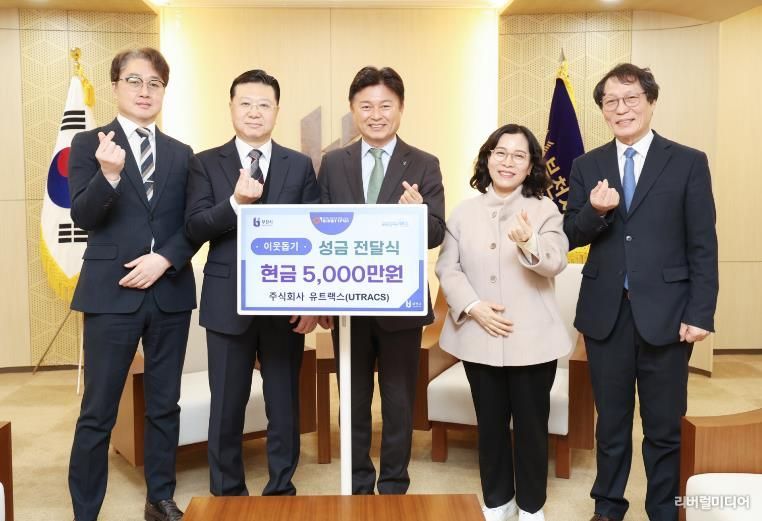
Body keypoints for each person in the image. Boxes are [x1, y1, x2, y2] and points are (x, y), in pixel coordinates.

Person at [563, 63, 718, 521]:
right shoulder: (587, 164)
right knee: (610, 425)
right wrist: (595, 212)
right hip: (606, 315)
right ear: (602, 111)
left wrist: (701, 312)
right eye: (610, 101)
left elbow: (703, 244)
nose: (621, 108)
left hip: (669, 315)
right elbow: (570, 234)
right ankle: (608, 507)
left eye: (631, 98)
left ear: (650, 102)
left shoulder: (688, 161)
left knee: (664, 428)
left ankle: (663, 511)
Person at [68, 47, 199, 521]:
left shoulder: (182, 153)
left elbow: (193, 224)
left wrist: (164, 260)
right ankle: (86, 511)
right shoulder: (88, 144)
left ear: (164, 91)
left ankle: (160, 499)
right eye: (134, 81)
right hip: (110, 293)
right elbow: (83, 216)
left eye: (155, 83)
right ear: (115, 86)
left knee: (164, 405)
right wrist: (108, 175)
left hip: (169, 293)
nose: (145, 91)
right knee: (98, 410)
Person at [185, 69, 320, 497]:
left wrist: (311, 302)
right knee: (227, 405)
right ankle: (227, 494)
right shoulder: (205, 162)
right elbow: (194, 226)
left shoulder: (299, 165)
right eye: (245, 103)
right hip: (227, 303)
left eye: (264, 104)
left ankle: (280, 490)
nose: (255, 112)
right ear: (231, 108)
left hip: (286, 305)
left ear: (277, 111)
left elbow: (315, 234)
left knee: (284, 405)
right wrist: (235, 203)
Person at [317, 66, 445, 495]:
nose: (376, 115)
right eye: (366, 106)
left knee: (398, 402)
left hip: (400, 304)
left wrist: (417, 214)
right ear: (353, 109)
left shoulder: (424, 163)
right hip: (348, 305)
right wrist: (322, 300)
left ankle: (393, 486)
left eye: (385, 106)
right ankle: (357, 485)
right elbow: (320, 233)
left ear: (401, 108)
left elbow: (436, 233)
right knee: (352, 401)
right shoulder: (333, 163)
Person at [435, 124, 570, 521]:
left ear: (530, 166)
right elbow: (448, 268)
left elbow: (555, 261)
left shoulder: (545, 209)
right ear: (488, 158)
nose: (508, 162)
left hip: (533, 341)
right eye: (501, 153)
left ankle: (531, 507)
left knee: (531, 428)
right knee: (490, 426)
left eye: (518, 155)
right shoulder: (464, 212)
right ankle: (497, 502)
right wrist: (473, 306)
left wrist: (529, 242)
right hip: (477, 336)